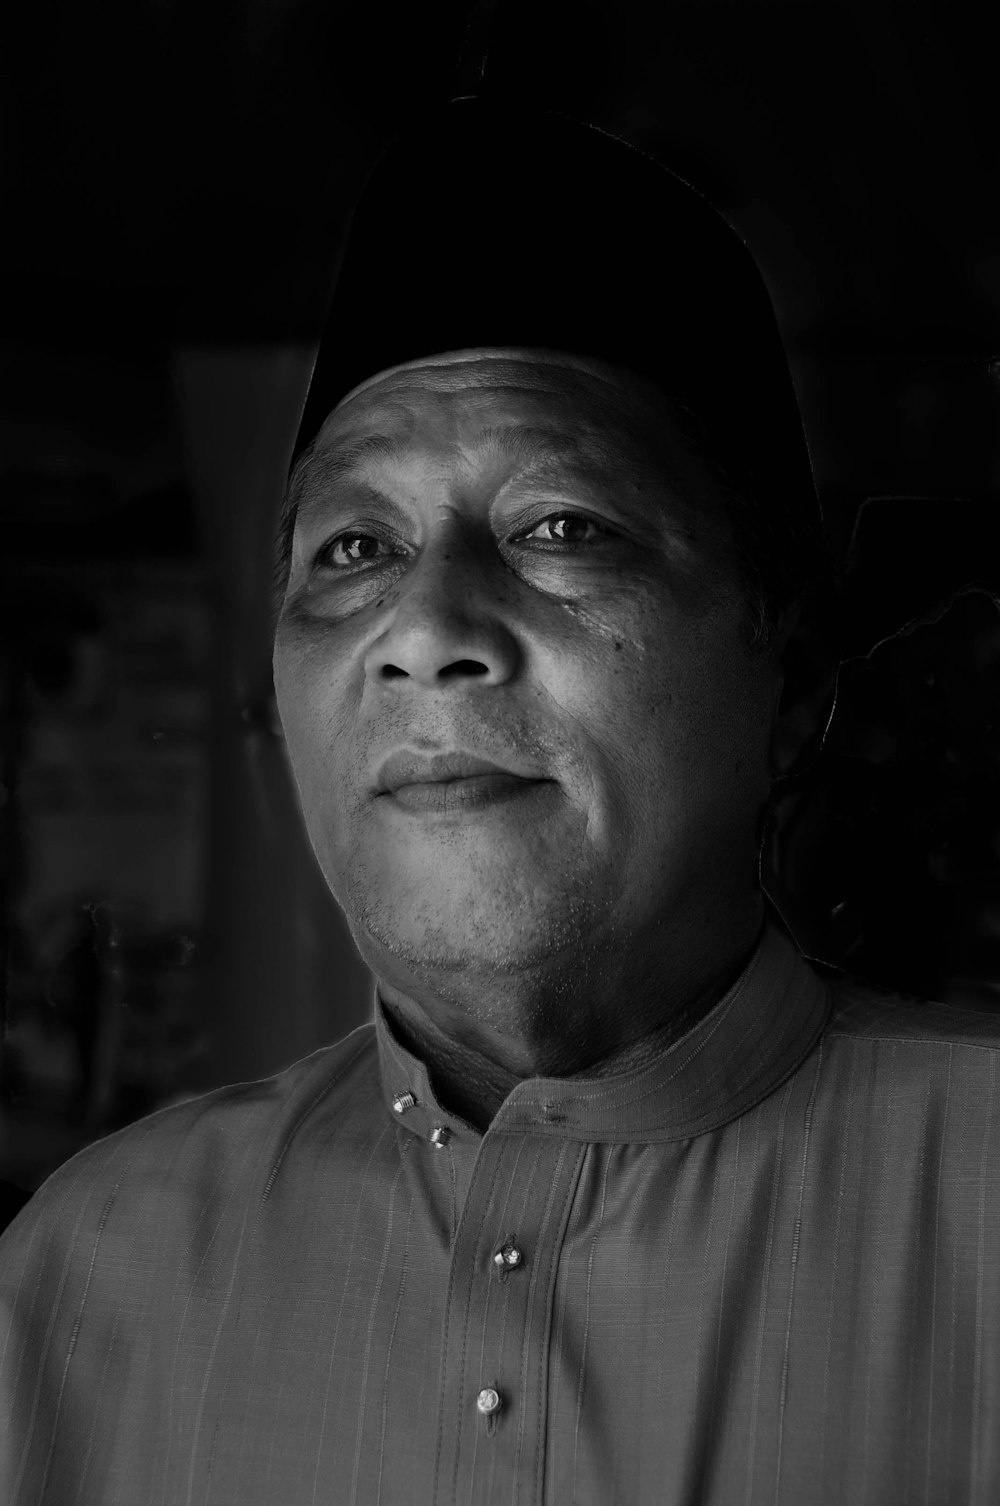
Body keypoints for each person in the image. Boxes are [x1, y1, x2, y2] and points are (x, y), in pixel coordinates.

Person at [2, 97, 998, 1506]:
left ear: (794, 681)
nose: (425, 626)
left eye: (560, 528)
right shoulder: (85, 1273)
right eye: (354, 547)